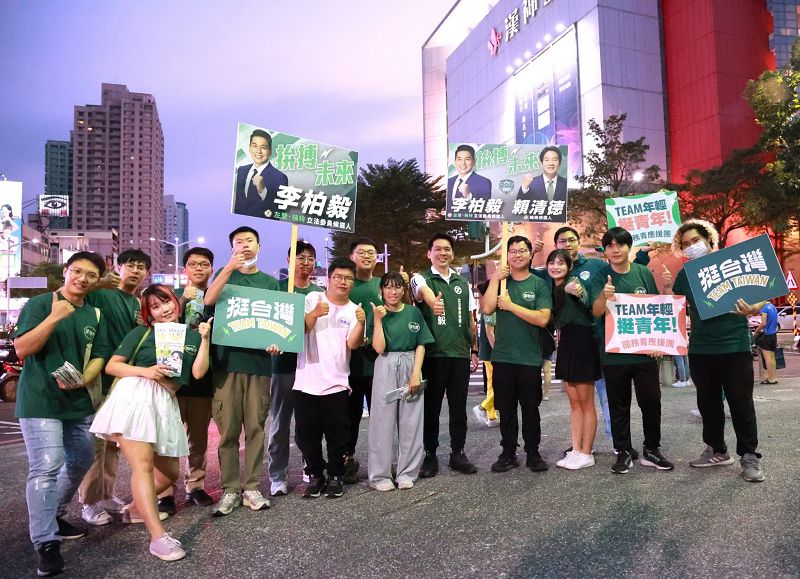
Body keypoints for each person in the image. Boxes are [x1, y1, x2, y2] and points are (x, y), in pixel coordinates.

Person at [91, 284, 212, 562]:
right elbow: (112, 366)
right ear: (149, 314)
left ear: (176, 302)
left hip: (165, 402)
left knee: (169, 473)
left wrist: (205, 339)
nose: (163, 309)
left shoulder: (191, 335)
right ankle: (158, 538)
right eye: (155, 307)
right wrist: (146, 371)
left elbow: (198, 372)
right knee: (143, 467)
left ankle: (135, 509)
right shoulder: (141, 333)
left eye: (166, 302)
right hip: (136, 396)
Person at [14, 252, 111, 577]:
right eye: (77, 271)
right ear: (66, 271)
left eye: (91, 275)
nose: (82, 278)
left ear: (97, 281)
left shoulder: (95, 313)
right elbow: (23, 349)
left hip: (78, 402)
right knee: (46, 466)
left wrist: (84, 379)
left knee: (82, 460)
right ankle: (46, 543)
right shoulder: (41, 304)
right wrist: (54, 317)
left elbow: (100, 353)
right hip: (40, 401)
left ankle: (53, 514)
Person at [669, 219, 765, 482]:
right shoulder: (685, 274)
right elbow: (675, 304)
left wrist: (753, 308)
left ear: (708, 240)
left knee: (741, 403)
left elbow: (763, 290)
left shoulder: (732, 263)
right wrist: (666, 287)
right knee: (708, 403)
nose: (691, 246)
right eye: (685, 244)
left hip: (734, 345)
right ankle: (716, 450)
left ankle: (749, 456)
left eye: (695, 241)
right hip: (701, 348)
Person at [203, 226, 279, 515]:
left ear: (259, 246)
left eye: (250, 241)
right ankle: (230, 489)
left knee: (256, 428)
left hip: (259, 367)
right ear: (232, 248)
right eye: (238, 242)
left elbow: (279, 324)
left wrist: (277, 343)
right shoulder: (225, 276)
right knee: (228, 431)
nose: (245, 245)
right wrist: (228, 268)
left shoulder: (270, 283)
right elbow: (209, 300)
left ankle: (252, 487)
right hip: (227, 365)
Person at [590, 227, 674, 474]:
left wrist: (658, 344)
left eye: (620, 245)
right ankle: (623, 451)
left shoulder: (642, 273)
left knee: (651, 402)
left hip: (644, 353)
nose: (615, 250)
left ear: (629, 247)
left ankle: (652, 449)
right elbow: (595, 312)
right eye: (610, 246)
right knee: (618, 405)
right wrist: (604, 296)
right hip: (614, 354)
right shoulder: (600, 276)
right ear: (605, 250)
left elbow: (656, 308)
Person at [79, 249, 151, 526]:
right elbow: (79, 293)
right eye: (130, 265)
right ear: (118, 268)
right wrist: (98, 282)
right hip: (100, 377)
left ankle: (106, 494)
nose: (135, 271)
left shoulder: (138, 302)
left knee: (113, 445)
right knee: (96, 445)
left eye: (141, 267)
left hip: (124, 382)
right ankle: (89, 502)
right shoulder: (102, 293)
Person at [294, 257, 366, 499]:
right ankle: (316, 475)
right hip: (306, 382)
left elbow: (353, 344)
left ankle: (335, 475)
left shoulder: (354, 310)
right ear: (329, 278)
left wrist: (362, 323)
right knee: (307, 436)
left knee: (338, 436)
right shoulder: (313, 298)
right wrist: (314, 314)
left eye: (348, 278)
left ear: (353, 282)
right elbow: (300, 329)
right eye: (338, 277)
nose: (343, 282)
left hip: (337, 382)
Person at [411, 233, 479, 477]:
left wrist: (473, 350)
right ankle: (430, 455)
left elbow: (471, 320)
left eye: (447, 249)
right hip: (433, 354)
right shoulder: (421, 278)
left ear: (452, 253)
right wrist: (434, 303)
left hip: (459, 354)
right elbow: (423, 292)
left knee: (459, 408)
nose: (443, 253)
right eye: (438, 249)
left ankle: (457, 453)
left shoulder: (462, 283)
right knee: (431, 408)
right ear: (429, 253)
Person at [482, 236, 552, 473]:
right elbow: (487, 308)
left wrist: (511, 306)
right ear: (507, 255)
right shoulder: (501, 282)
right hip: (503, 357)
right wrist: (495, 279)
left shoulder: (538, 284)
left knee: (531, 409)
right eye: (512, 251)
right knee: (507, 409)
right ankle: (508, 452)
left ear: (530, 254)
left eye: (522, 250)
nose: (517, 255)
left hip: (529, 358)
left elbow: (542, 318)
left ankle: (533, 453)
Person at [157, 247, 217, 514]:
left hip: (203, 376)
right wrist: (181, 299)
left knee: (199, 438)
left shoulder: (217, 296)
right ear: (185, 269)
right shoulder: (170, 297)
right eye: (193, 264)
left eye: (204, 264)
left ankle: (195, 486)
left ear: (212, 268)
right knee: (168, 435)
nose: (199, 268)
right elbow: (158, 321)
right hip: (173, 376)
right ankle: (165, 491)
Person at [368, 272, 434, 490]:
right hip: (385, 363)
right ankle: (380, 476)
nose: (393, 291)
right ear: (381, 290)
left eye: (397, 287)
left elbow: (421, 344)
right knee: (382, 421)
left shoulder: (413, 312)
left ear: (404, 290)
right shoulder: (377, 312)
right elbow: (379, 348)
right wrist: (378, 320)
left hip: (411, 363)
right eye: (388, 287)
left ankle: (407, 472)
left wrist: (416, 373)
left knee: (411, 422)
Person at [267, 240, 322, 497]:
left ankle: (310, 466)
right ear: (289, 260)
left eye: (310, 258)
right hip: (282, 366)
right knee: (280, 423)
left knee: (309, 422)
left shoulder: (318, 294)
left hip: (309, 366)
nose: (305, 262)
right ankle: (277, 475)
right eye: (300, 257)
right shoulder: (277, 289)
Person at [546, 249, 600, 470]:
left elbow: (579, 293)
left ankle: (587, 452)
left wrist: (575, 290)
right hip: (567, 341)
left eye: (561, 263)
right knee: (574, 402)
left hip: (583, 341)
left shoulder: (572, 282)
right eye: (552, 262)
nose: (555, 266)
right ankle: (576, 449)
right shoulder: (552, 286)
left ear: (569, 267)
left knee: (586, 402)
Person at [342, 238, 383, 484]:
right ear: (352, 257)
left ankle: (380, 461)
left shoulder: (383, 285)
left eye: (371, 252)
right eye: (361, 252)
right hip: (350, 361)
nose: (367, 256)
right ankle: (347, 460)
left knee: (381, 415)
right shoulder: (346, 285)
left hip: (379, 360)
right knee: (350, 415)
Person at [233, 129, 289, 218]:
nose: (258, 151)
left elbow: (279, 213)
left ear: (270, 151)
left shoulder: (280, 177)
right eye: (254, 146)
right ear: (249, 148)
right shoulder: (241, 170)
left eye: (263, 147)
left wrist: (263, 191)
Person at [472, 281, 499, 428]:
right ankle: (482, 407)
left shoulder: (485, 306)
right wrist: (498, 352)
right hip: (492, 353)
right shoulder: (490, 307)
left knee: (492, 385)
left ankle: (491, 417)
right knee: (498, 384)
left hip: (488, 352)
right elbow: (489, 333)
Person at [755, 301, 779, 384]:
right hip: (773, 334)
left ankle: (771, 379)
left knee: (767, 357)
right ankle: (773, 377)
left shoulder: (764, 308)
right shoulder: (773, 306)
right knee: (772, 357)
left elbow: (763, 323)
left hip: (768, 334)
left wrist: (756, 331)